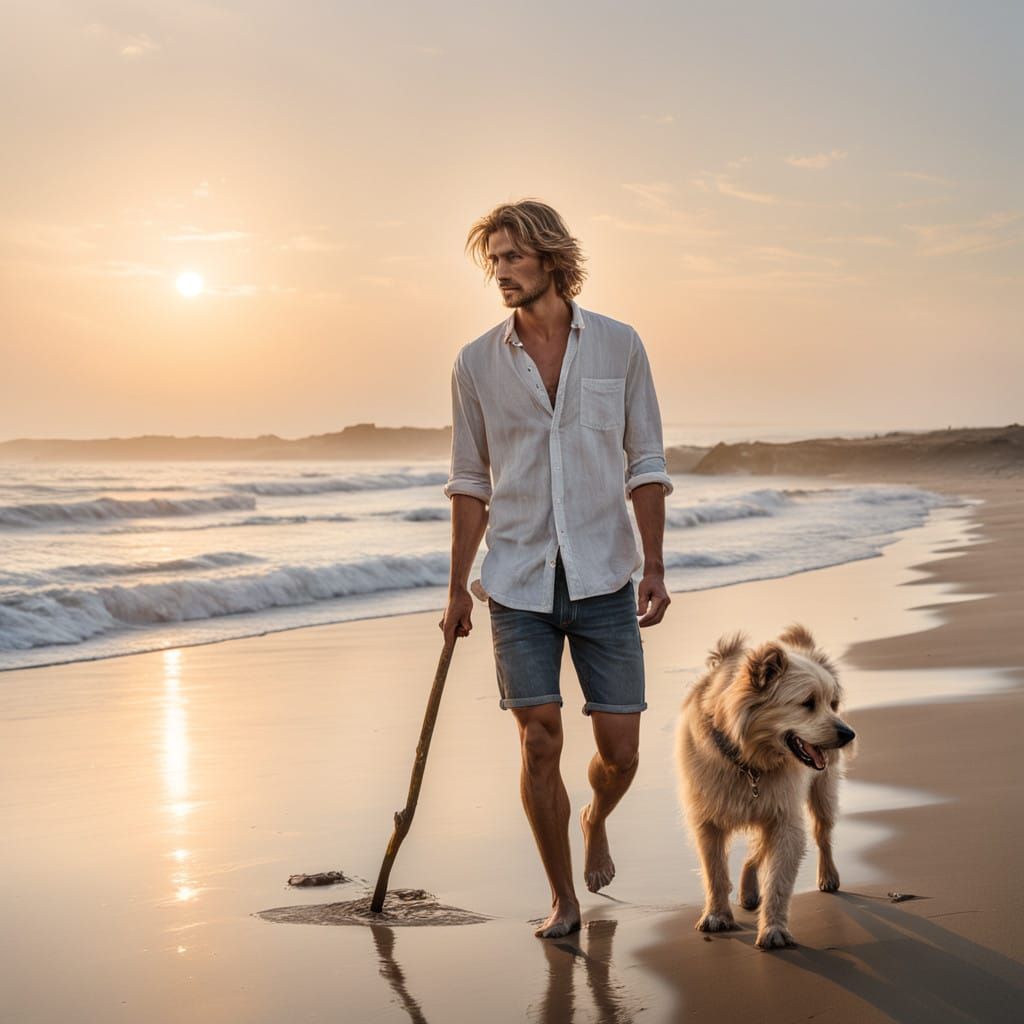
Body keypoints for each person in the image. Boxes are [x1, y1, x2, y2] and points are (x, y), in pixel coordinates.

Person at [440, 199, 673, 938]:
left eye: (512, 256)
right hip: (515, 578)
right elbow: (470, 481)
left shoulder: (619, 345)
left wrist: (655, 565)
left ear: (549, 258)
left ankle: (594, 816)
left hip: (605, 574)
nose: (500, 272)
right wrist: (456, 592)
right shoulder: (475, 363)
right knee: (539, 735)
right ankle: (562, 899)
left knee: (622, 753)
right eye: (494, 260)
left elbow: (646, 462)